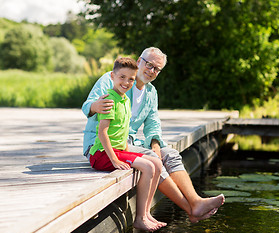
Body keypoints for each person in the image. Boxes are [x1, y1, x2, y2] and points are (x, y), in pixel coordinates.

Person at [82, 47, 225, 223]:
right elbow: (87, 104)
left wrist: (156, 143)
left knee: (169, 153)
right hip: (102, 144)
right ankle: (190, 209)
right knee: (151, 157)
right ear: (139, 61)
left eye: (157, 69)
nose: (151, 71)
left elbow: (153, 122)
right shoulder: (117, 78)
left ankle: (196, 201)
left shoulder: (151, 92)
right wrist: (95, 106)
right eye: (149, 65)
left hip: (128, 142)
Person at [88, 57, 166, 232]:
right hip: (101, 154)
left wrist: (127, 152)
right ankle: (139, 219)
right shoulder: (109, 100)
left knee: (157, 163)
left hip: (117, 151)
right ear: (112, 76)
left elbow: (123, 132)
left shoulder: (125, 100)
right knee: (148, 167)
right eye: (122, 77)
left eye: (131, 79)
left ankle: (146, 213)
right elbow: (102, 133)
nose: (126, 82)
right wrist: (115, 159)